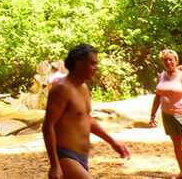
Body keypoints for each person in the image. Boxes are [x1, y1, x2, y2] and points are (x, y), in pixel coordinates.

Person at [43, 44, 130, 179]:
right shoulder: (62, 89)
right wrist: (55, 164)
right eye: (93, 64)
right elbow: (48, 126)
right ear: (78, 64)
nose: (96, 68)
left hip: (82, 157)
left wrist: (112, 141)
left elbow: (87, 120)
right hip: (66, 156)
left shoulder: (83, 87)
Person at [149, 49, 182, 179]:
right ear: (162, 62)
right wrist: (153, 114)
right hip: (167, 115)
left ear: (176, 60)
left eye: (170, 59)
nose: (168, 62)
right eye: (165, 60)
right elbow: (157, 96)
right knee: (176, 143)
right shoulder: (161, 76)